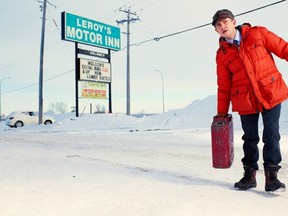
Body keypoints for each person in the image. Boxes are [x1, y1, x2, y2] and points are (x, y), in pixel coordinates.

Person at [212, 9, 288, 192]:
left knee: (271, 134)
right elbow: (223, 85)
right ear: (216, 30)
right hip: (244, 98)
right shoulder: (222, 54)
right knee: (250, 138)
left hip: (269, 91)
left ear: (233, 21)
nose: (223, 26)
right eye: (218, 25)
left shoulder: (258, 33)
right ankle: (249, 175)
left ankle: (272, 177)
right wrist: (222, 113)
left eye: (225, 22)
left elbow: (283, 48)